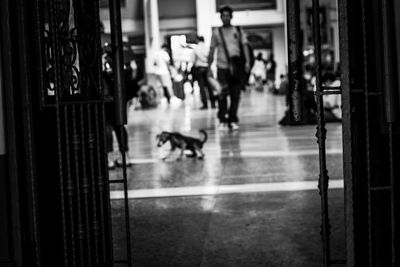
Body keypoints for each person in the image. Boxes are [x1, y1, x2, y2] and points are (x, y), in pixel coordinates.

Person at [208, 5, 251, 130]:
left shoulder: (237, 30)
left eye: (228, 15)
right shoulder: (216, 32)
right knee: (222, 94)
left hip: (236, 68)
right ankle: (222, 119)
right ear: (220, 17)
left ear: (231, 17)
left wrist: (247, 62)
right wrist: (208, 66)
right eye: (223, 16)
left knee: (235, 94)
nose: (225, 18)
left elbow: (244, 46)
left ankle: (232, 119)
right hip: (222, 68)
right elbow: (212, 50)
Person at [102, 50, 134, 169]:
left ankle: (110, 158)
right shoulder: (121, 65)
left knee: (108, 128)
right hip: (118, 100)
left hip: (106, 101)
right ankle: (125, 156)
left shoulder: (105, 65)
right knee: (119, 127)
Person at [191, 35, 216, 109]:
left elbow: (193, 60)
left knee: (201, 87)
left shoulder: (196, 49)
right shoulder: (207, 48)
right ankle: (213, 103)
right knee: (210, 86)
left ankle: (205, 104)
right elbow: (211, 57)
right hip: (207, 68)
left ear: (197, 40)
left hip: (199, 69)